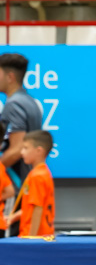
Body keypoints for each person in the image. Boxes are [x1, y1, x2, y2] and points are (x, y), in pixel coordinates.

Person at [0, 52, 43, 184]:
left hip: (17, 182)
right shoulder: (29, 101)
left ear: (10, 77)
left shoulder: (14, 104)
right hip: (27, 179)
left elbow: (18, 148)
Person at [6, 130, 54, 238]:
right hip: (41, 235)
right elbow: (30, 207)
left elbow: (38, 208)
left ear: (39, 151)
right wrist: (13, 217)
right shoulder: (42, 173)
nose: (22, 152)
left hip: (35, 237)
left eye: (26, 148)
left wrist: (32, 239)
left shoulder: (37, 176)